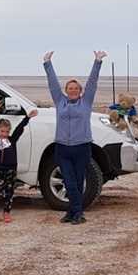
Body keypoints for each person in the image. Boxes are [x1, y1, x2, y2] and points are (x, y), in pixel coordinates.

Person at [43, 50, 106, 224]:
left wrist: (97, 62)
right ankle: (77, 213)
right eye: (70, 88)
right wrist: (47, 64)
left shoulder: (85, 102)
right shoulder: (60, 101)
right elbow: (52, 84)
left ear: (80, 91)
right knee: (69, 181)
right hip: (62, 148)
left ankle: (73, 213)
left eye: (76, 88)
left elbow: (93, 82)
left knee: (78, 182)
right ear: (66, 91)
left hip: (82, 147)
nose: (73, 91)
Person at [0, 98, 38, 223]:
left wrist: (27, 117)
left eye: (6, 131)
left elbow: (20, 128)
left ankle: (7, 212)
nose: (4, 134)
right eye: (2, 131)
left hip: (11, 168)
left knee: (9, 192)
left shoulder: (12, 139)